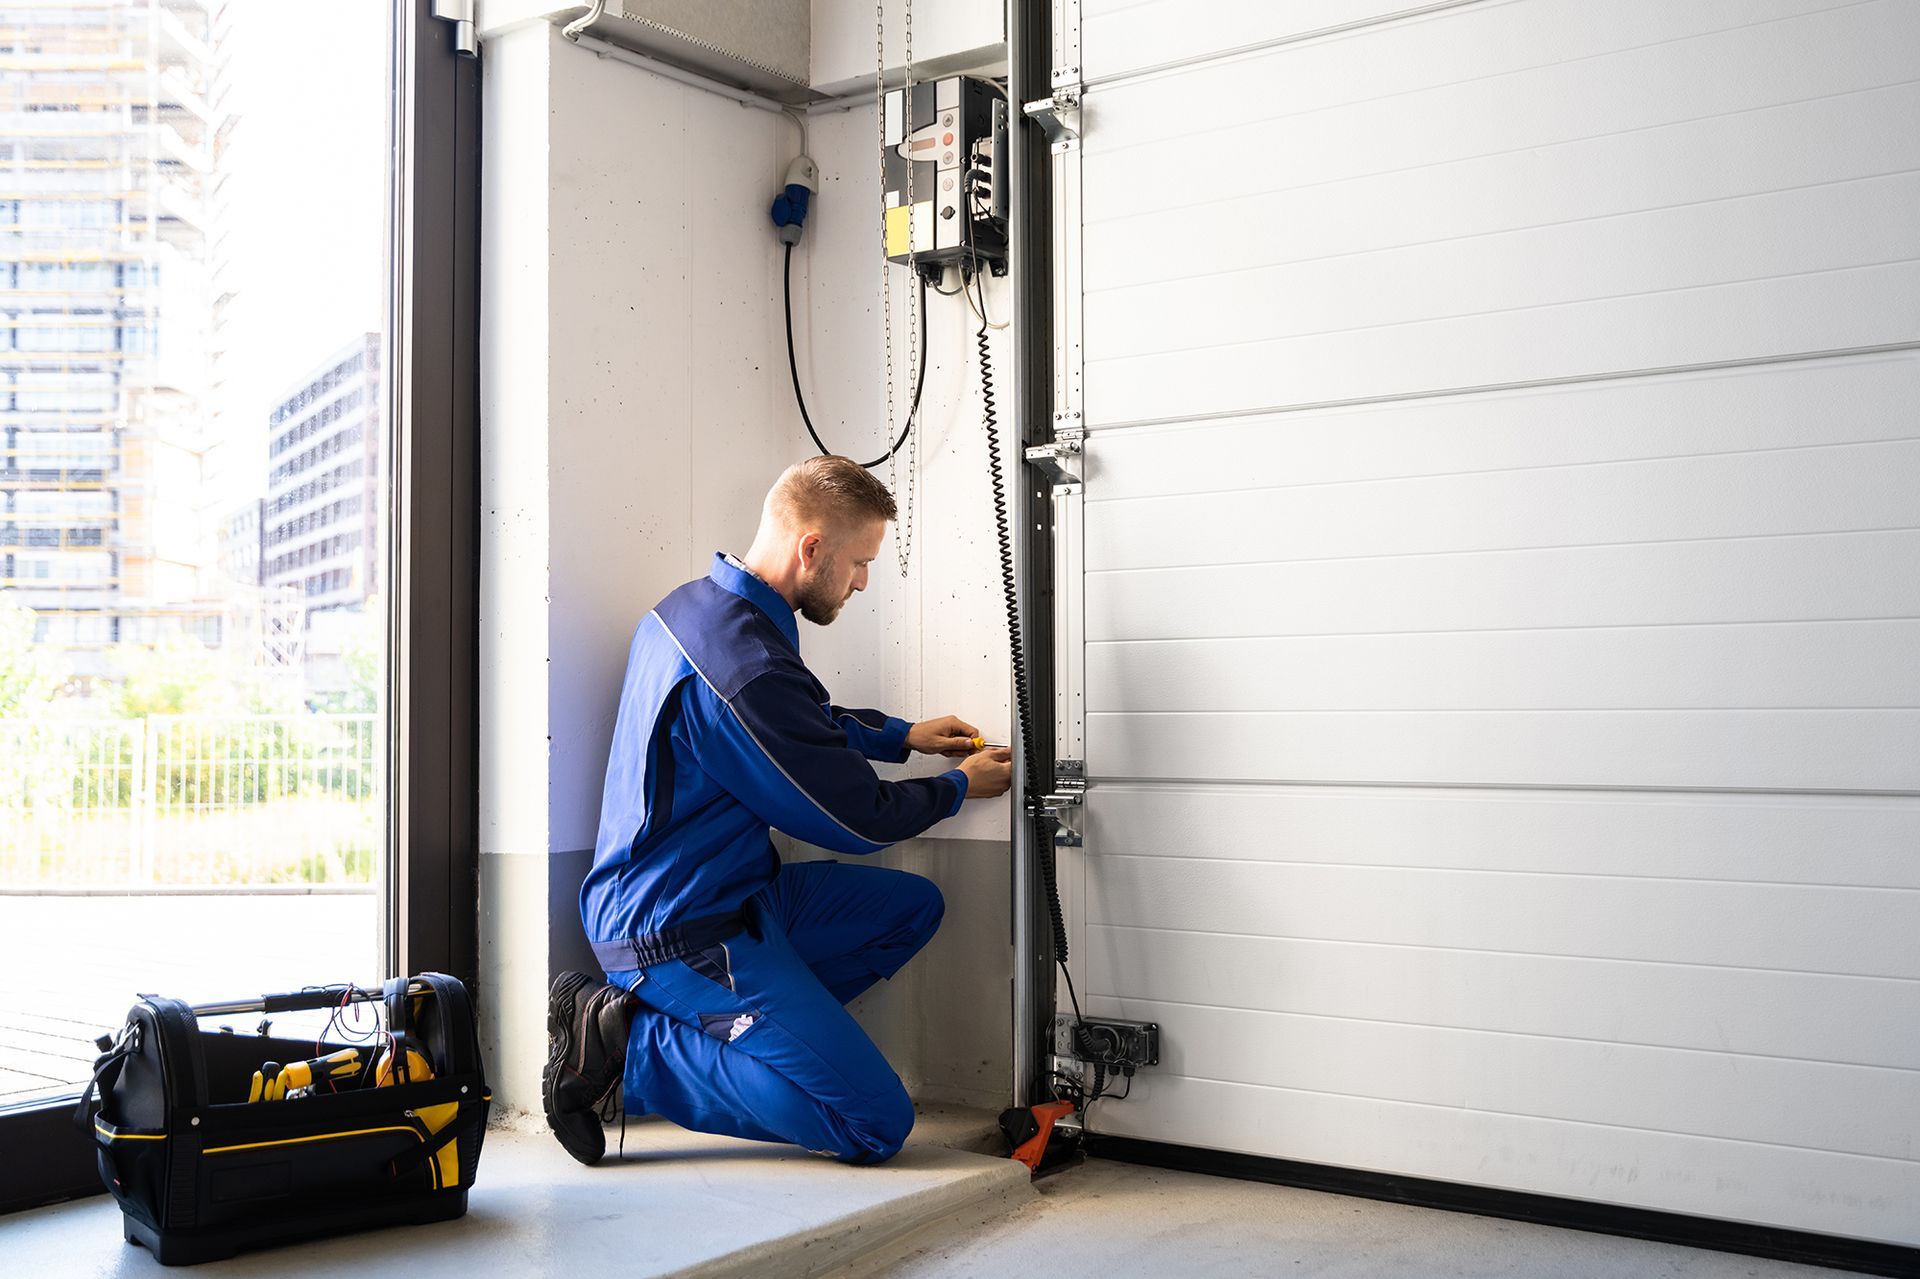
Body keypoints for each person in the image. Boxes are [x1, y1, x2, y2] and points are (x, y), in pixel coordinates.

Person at [544, 456, 1014, 1166]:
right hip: (675, 931)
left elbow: (798, 720)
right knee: (875, 1122)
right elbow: (859, 819)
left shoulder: (697, 609)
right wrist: (955, 787)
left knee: (911, 908)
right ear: (812, 548)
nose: (862, 581)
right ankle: (628, 1049)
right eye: (859, 562)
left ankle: (757, 1041)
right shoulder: (743, 667)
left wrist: (901, 735)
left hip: (739, 895)